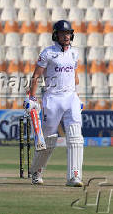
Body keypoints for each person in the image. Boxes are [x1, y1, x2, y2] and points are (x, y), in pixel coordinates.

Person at [25, 20, 83, 187]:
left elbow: (75, 76)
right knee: (49, 140)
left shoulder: (75, 53)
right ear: (56, 35)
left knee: (75, 138)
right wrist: (31, 97)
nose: (66, 36)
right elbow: (36, 76)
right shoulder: (48, 53)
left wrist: (77, 97)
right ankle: (36, 171)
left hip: (70, 98)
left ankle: (74, 176)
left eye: (68, 33)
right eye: (63, 33)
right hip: (52, 98)